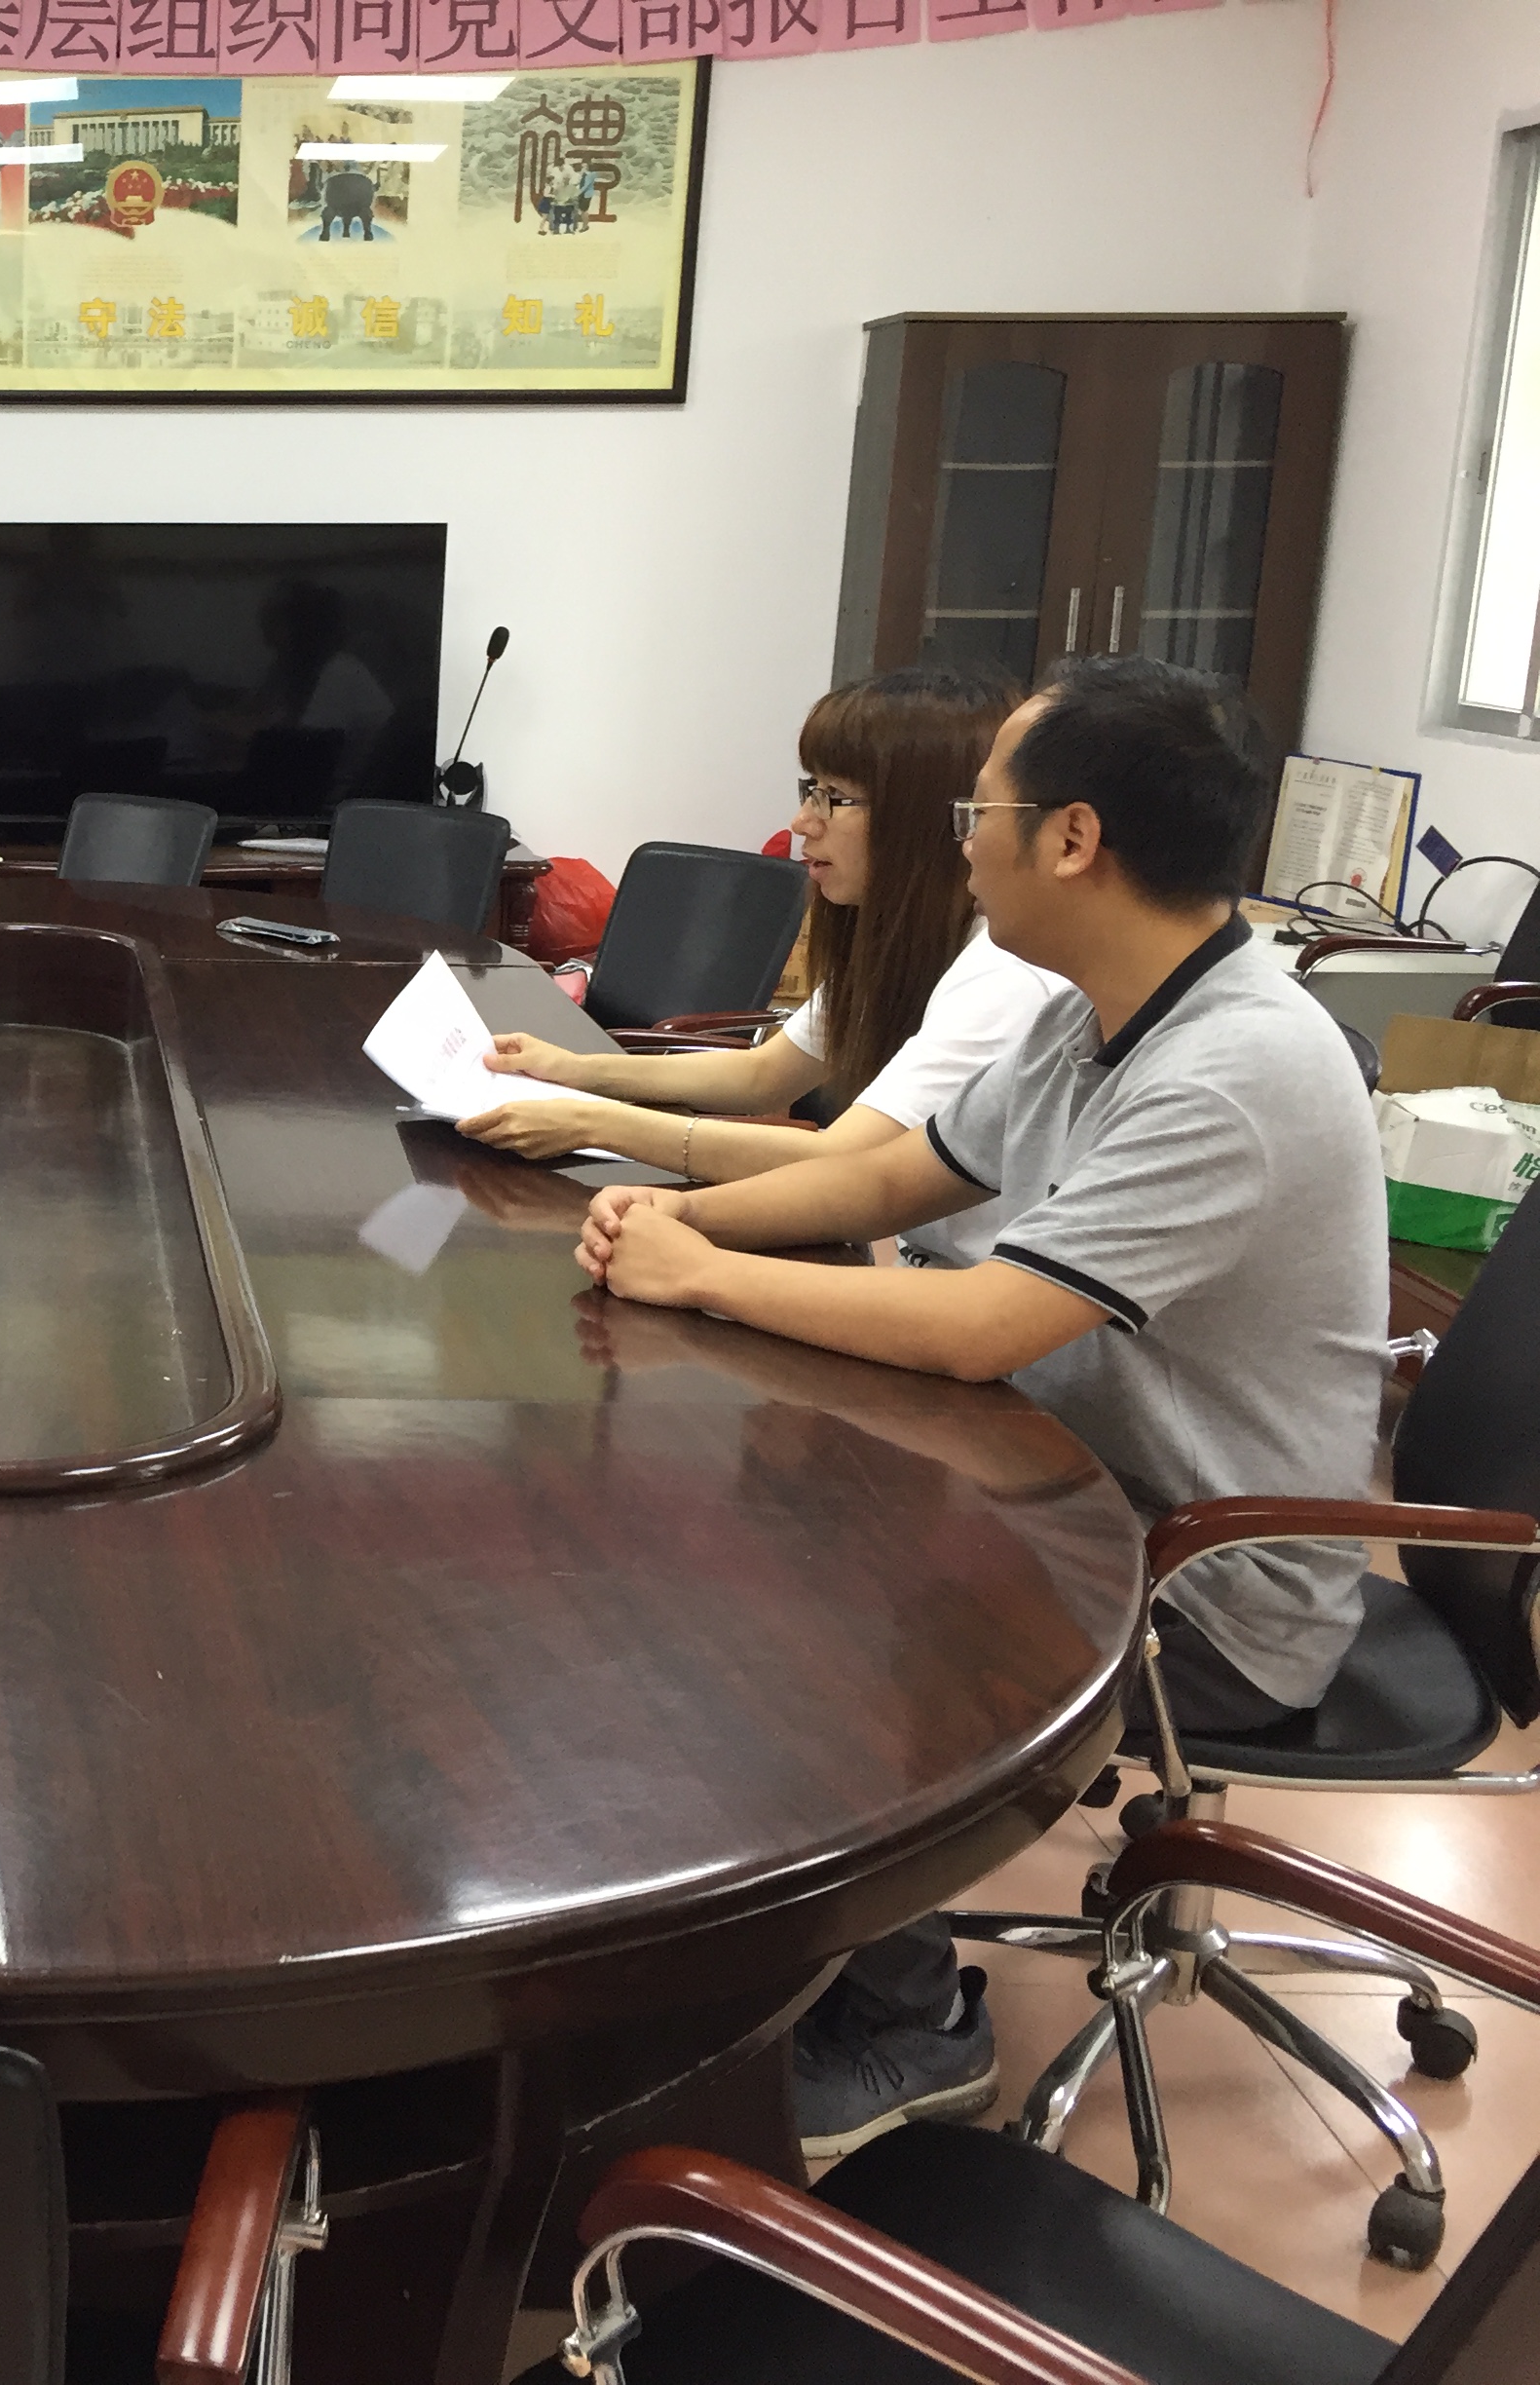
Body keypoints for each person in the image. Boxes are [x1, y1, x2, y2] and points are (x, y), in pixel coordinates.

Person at [574, 657, 1387, 2159]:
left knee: (822, 1609)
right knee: (774, 1519)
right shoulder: (1097, 1008)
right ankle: (777, 1967)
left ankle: (911, 2027)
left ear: (1072, 839)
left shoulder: (1237, 1065)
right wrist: (679, 1220)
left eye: (980, 813)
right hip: (1072, 1476)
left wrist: (703, 1279)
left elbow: (984, 1325)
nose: (960, 845)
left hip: (1209, 1581)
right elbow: (897, 1175)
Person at [470, 667, 1069, 1266]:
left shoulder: (1004, 977)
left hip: (960, 1288)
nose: (802, 822)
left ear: (924, 817)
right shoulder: (903, 940)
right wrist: (575, 1070)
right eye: (810, 789)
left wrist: (592, 1123)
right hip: (910, 1265)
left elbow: (845, 1160)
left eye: (834, 797)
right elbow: (764, 1074)